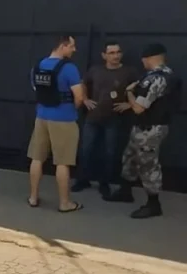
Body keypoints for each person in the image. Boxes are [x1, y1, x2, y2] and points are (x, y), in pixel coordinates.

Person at [104, 43, 179, 218]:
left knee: (148, 165)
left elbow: (138, 108)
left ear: (149, 58)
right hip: (146, 126)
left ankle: (154, 204)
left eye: (144, 60)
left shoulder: (155, 79)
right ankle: (125, 191)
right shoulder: (167, 75)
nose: (142, 63)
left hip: (150, 129)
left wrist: (129, 92)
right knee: (129, 157)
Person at [72, 41, 140, 196]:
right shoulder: (95, 70)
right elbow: (83, 83)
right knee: (86, 150)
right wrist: (85, 99)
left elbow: (141, 87)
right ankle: (82, 180)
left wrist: (129, 104)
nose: (116, 56)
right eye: (111, 53)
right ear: (104, 55)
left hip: (114, 119)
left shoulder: (129, 71)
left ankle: (105, 183)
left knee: (110, 153)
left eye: (118, 52)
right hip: (93, 117)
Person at [27, 35, 86, 213]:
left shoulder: (37, 66)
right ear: (62, 46)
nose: (74, 50)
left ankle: (33, 197)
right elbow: (80, 97)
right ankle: (65, 203)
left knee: (37, 158)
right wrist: (71, 109)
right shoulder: (69, 69)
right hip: (64, 119)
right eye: (72, 46)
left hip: (42, 117)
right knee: (63, 162)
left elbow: (37, 90)